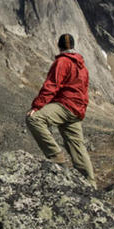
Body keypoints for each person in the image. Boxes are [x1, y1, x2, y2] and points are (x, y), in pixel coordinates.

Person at [26, 33, 96, 187]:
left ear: (59, 46)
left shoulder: (62, 62)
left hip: (65, 105)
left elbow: (52, 85)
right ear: (73, 46)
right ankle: (91, 185)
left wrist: (37, 106)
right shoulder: (81, 65)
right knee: (78, 147)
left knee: (34, 119)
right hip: (77, 109)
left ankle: (56, 156)